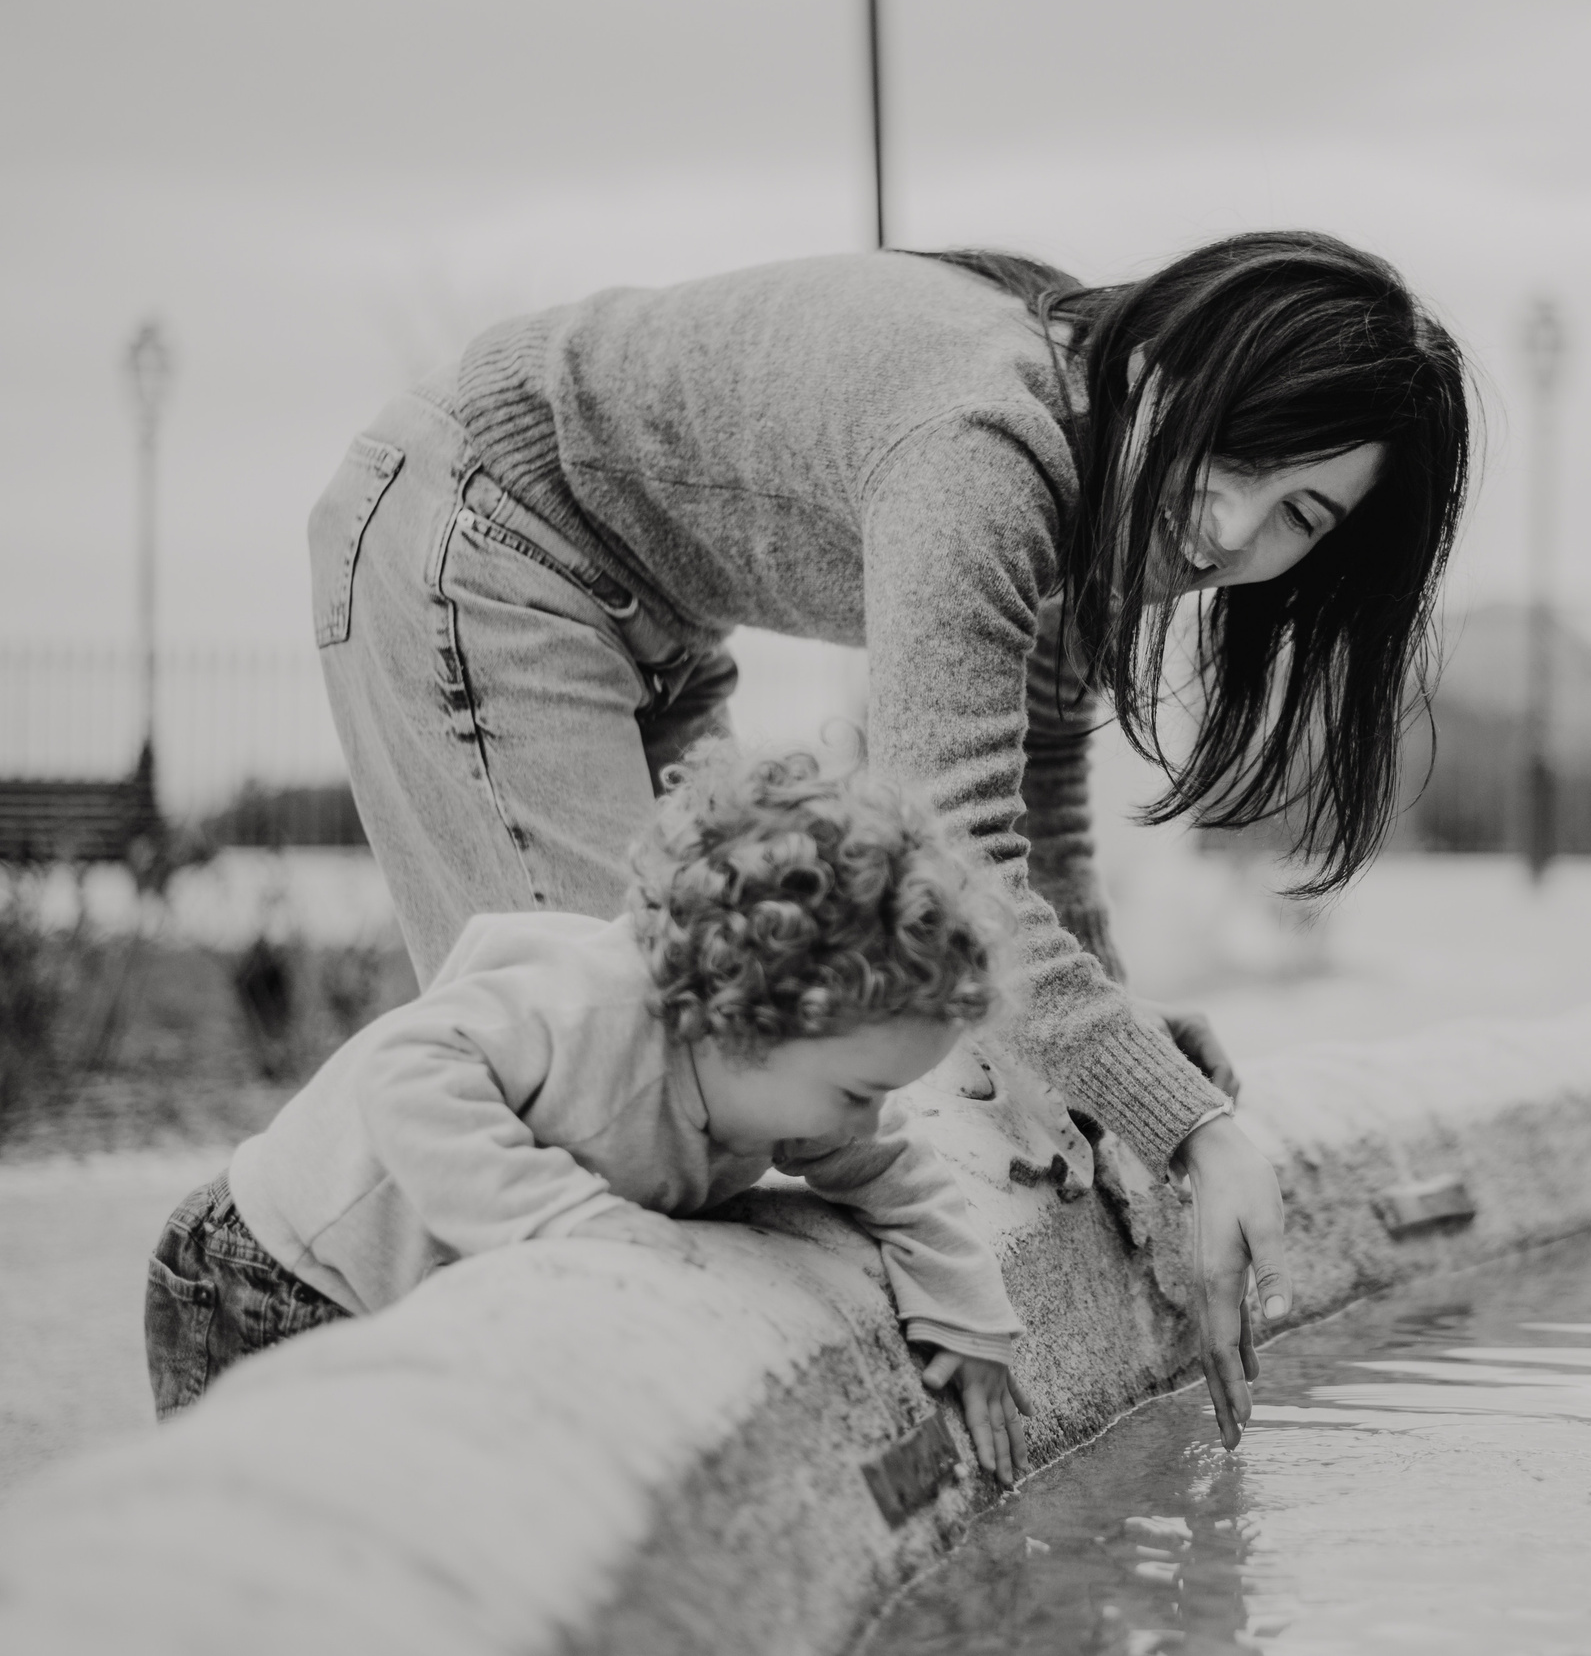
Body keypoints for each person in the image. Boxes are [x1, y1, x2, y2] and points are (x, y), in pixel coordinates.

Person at [305, 230, 1474, 1449]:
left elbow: (1035, 814)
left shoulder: (1110, 487)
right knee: (616, 1097)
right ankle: (360, 1405)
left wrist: (1117, 1085)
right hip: (489, 539)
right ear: (1179, 351)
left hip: (653, 625)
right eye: (1238, 444)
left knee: (718, 1083)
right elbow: (956, 847)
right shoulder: (987, 436)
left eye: (1297, 510)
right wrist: (1192, 1124)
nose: (1230, 524)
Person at [144, 741, 1037, 1484]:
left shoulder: (798, 1078)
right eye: (859, 1091)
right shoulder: (598, 1012)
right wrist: (572, 1217)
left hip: (389, 1284)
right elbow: (406, 1065)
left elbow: (897, 1175)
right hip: (273, 1269)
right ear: (743, 1017)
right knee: (269, 1527)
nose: (870, 1118)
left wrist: (969, 1318)